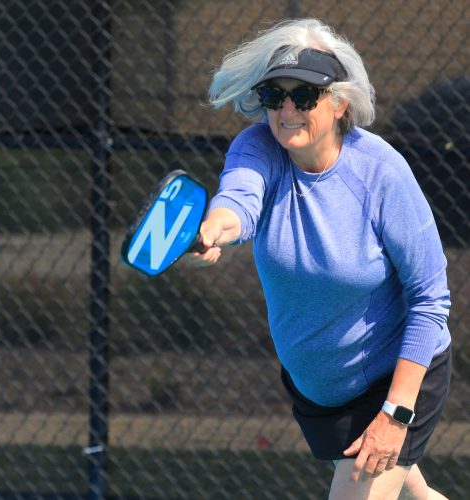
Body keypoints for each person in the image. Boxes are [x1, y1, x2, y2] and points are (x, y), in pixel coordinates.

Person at [189, 18, 451, 499]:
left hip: (397, 380)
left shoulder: (382, 173)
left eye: (305, 96)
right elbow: (239, 201)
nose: (287, 109)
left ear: (340, 103)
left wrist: (396, 415)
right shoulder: (258, 146)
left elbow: (430, 298)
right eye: (274, 95)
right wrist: (213, 229)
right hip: (320, 393)